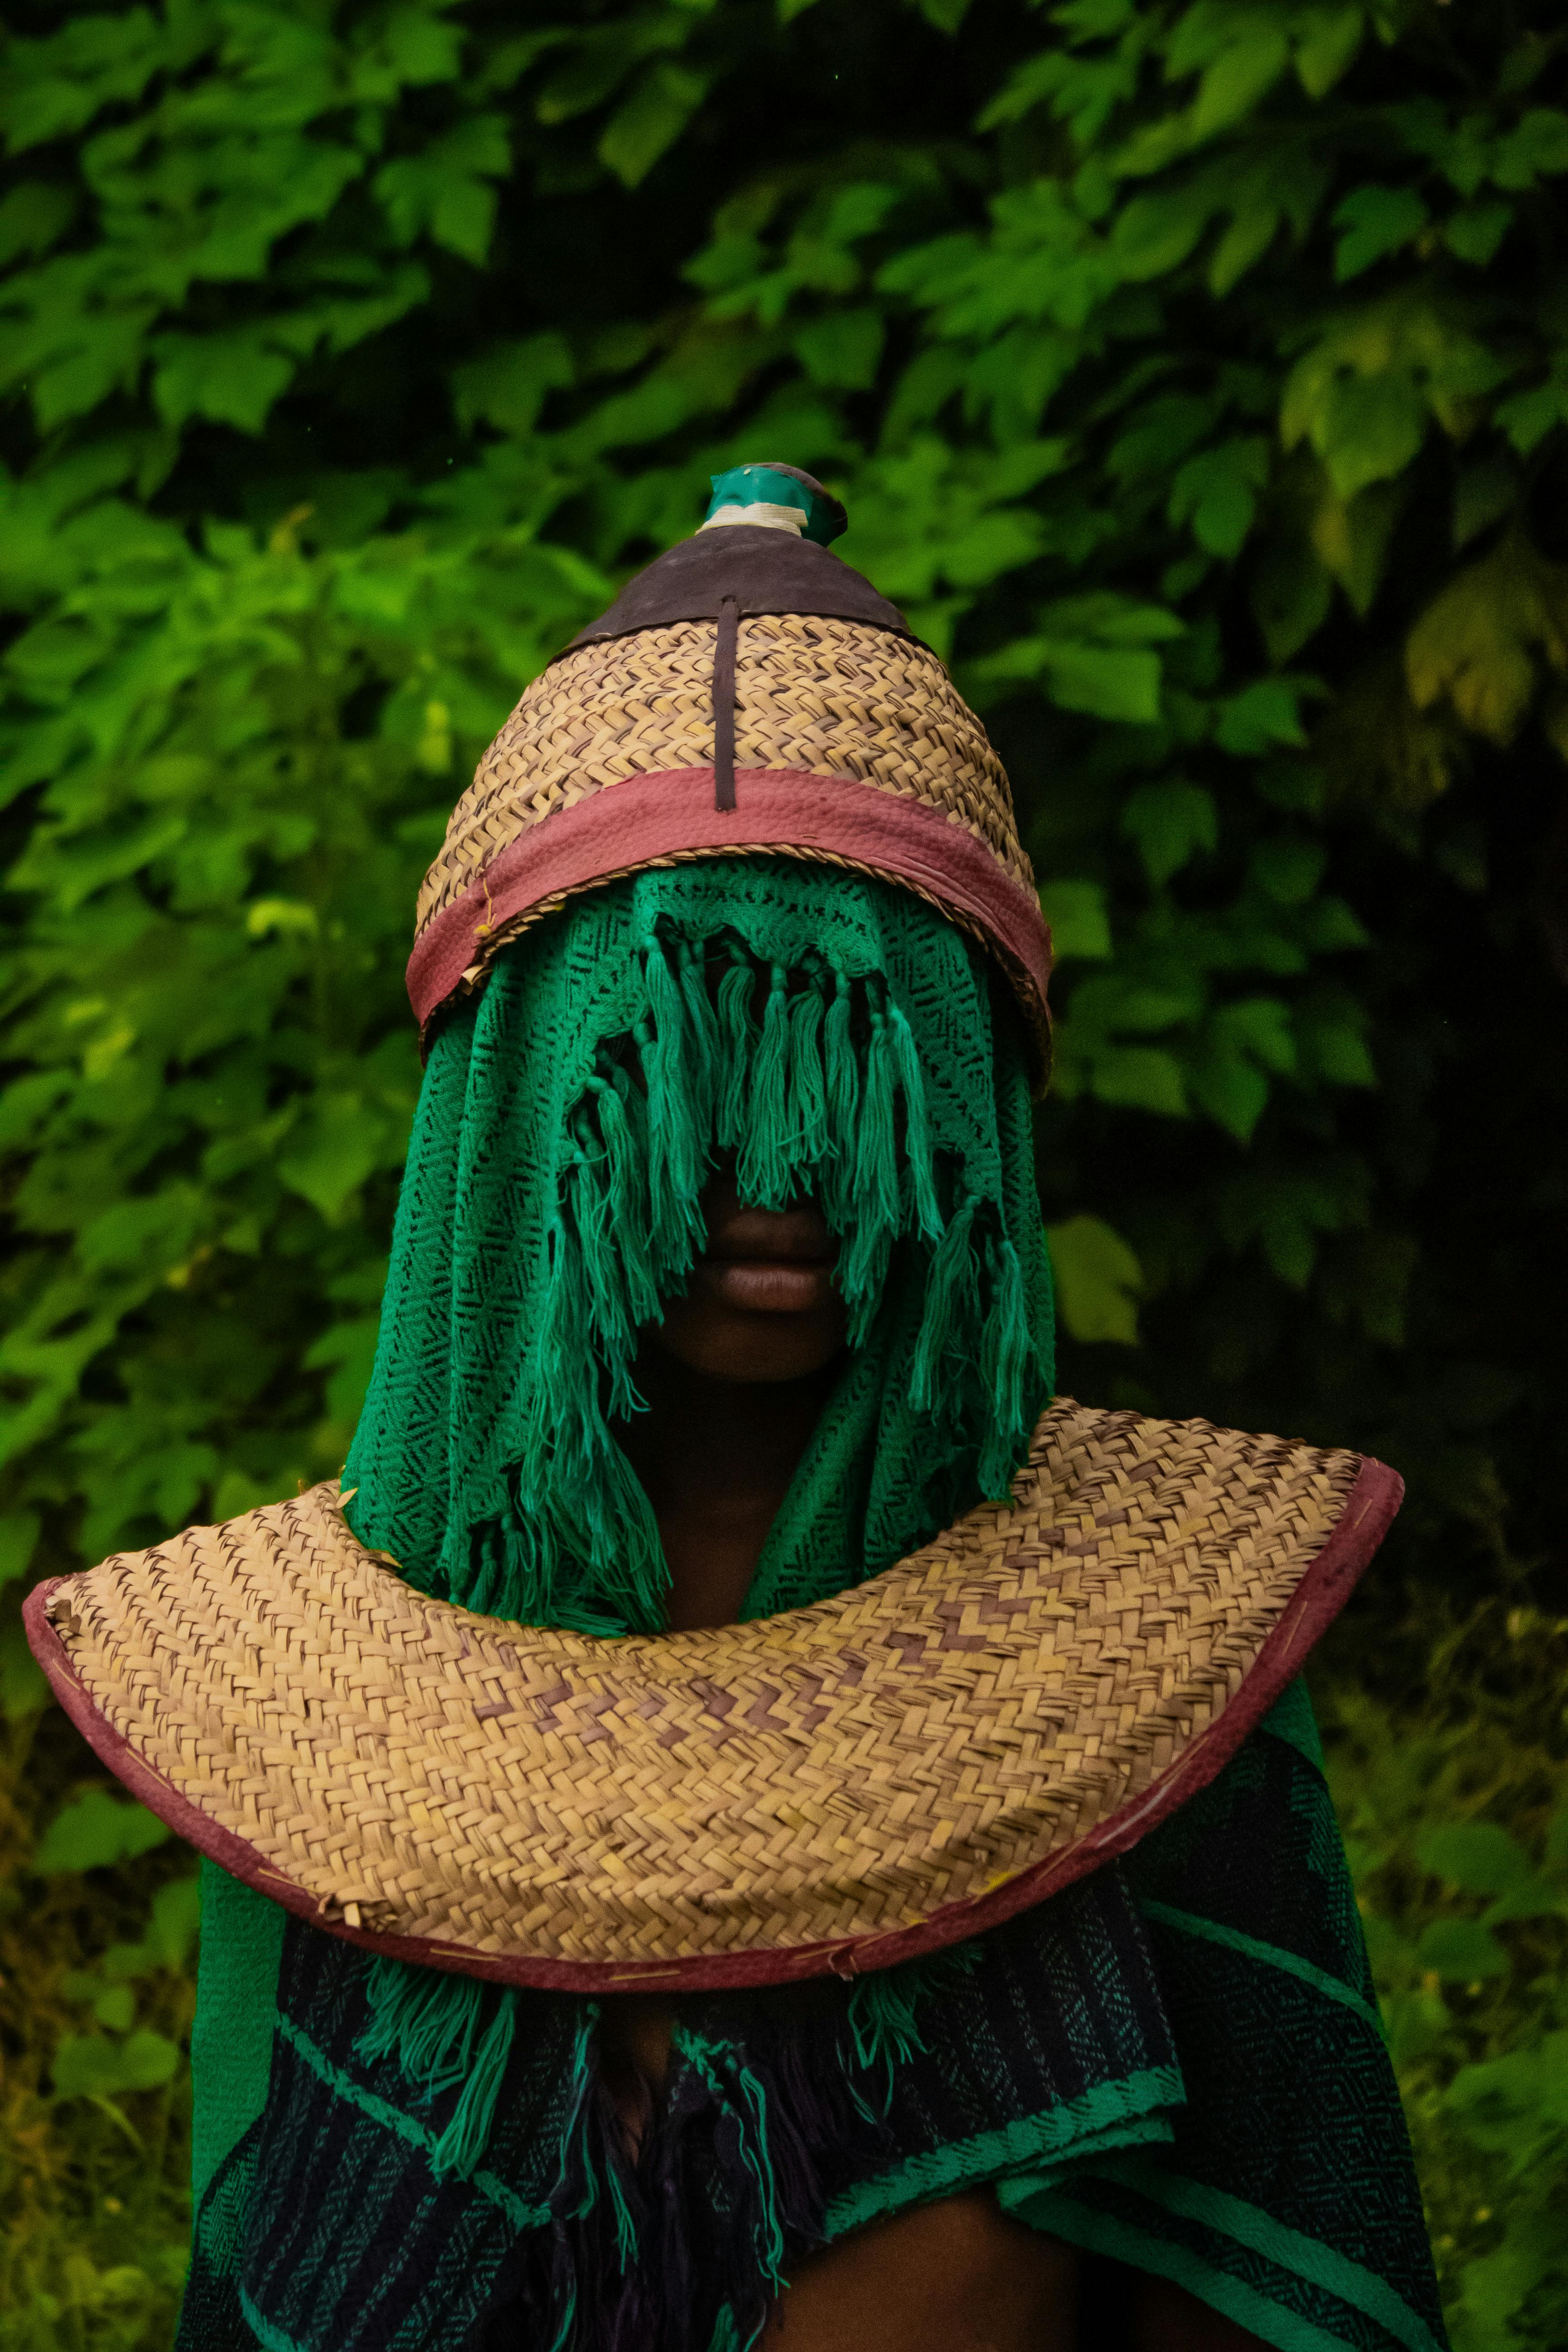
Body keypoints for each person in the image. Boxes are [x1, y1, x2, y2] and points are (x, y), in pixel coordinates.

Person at [27, 466, 1448, 2352]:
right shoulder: (305, 1752)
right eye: (677, 1068)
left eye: (846, 1063)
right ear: (517, 1126)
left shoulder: (1174, 1713)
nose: (774, 1170)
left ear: (966, 1100)